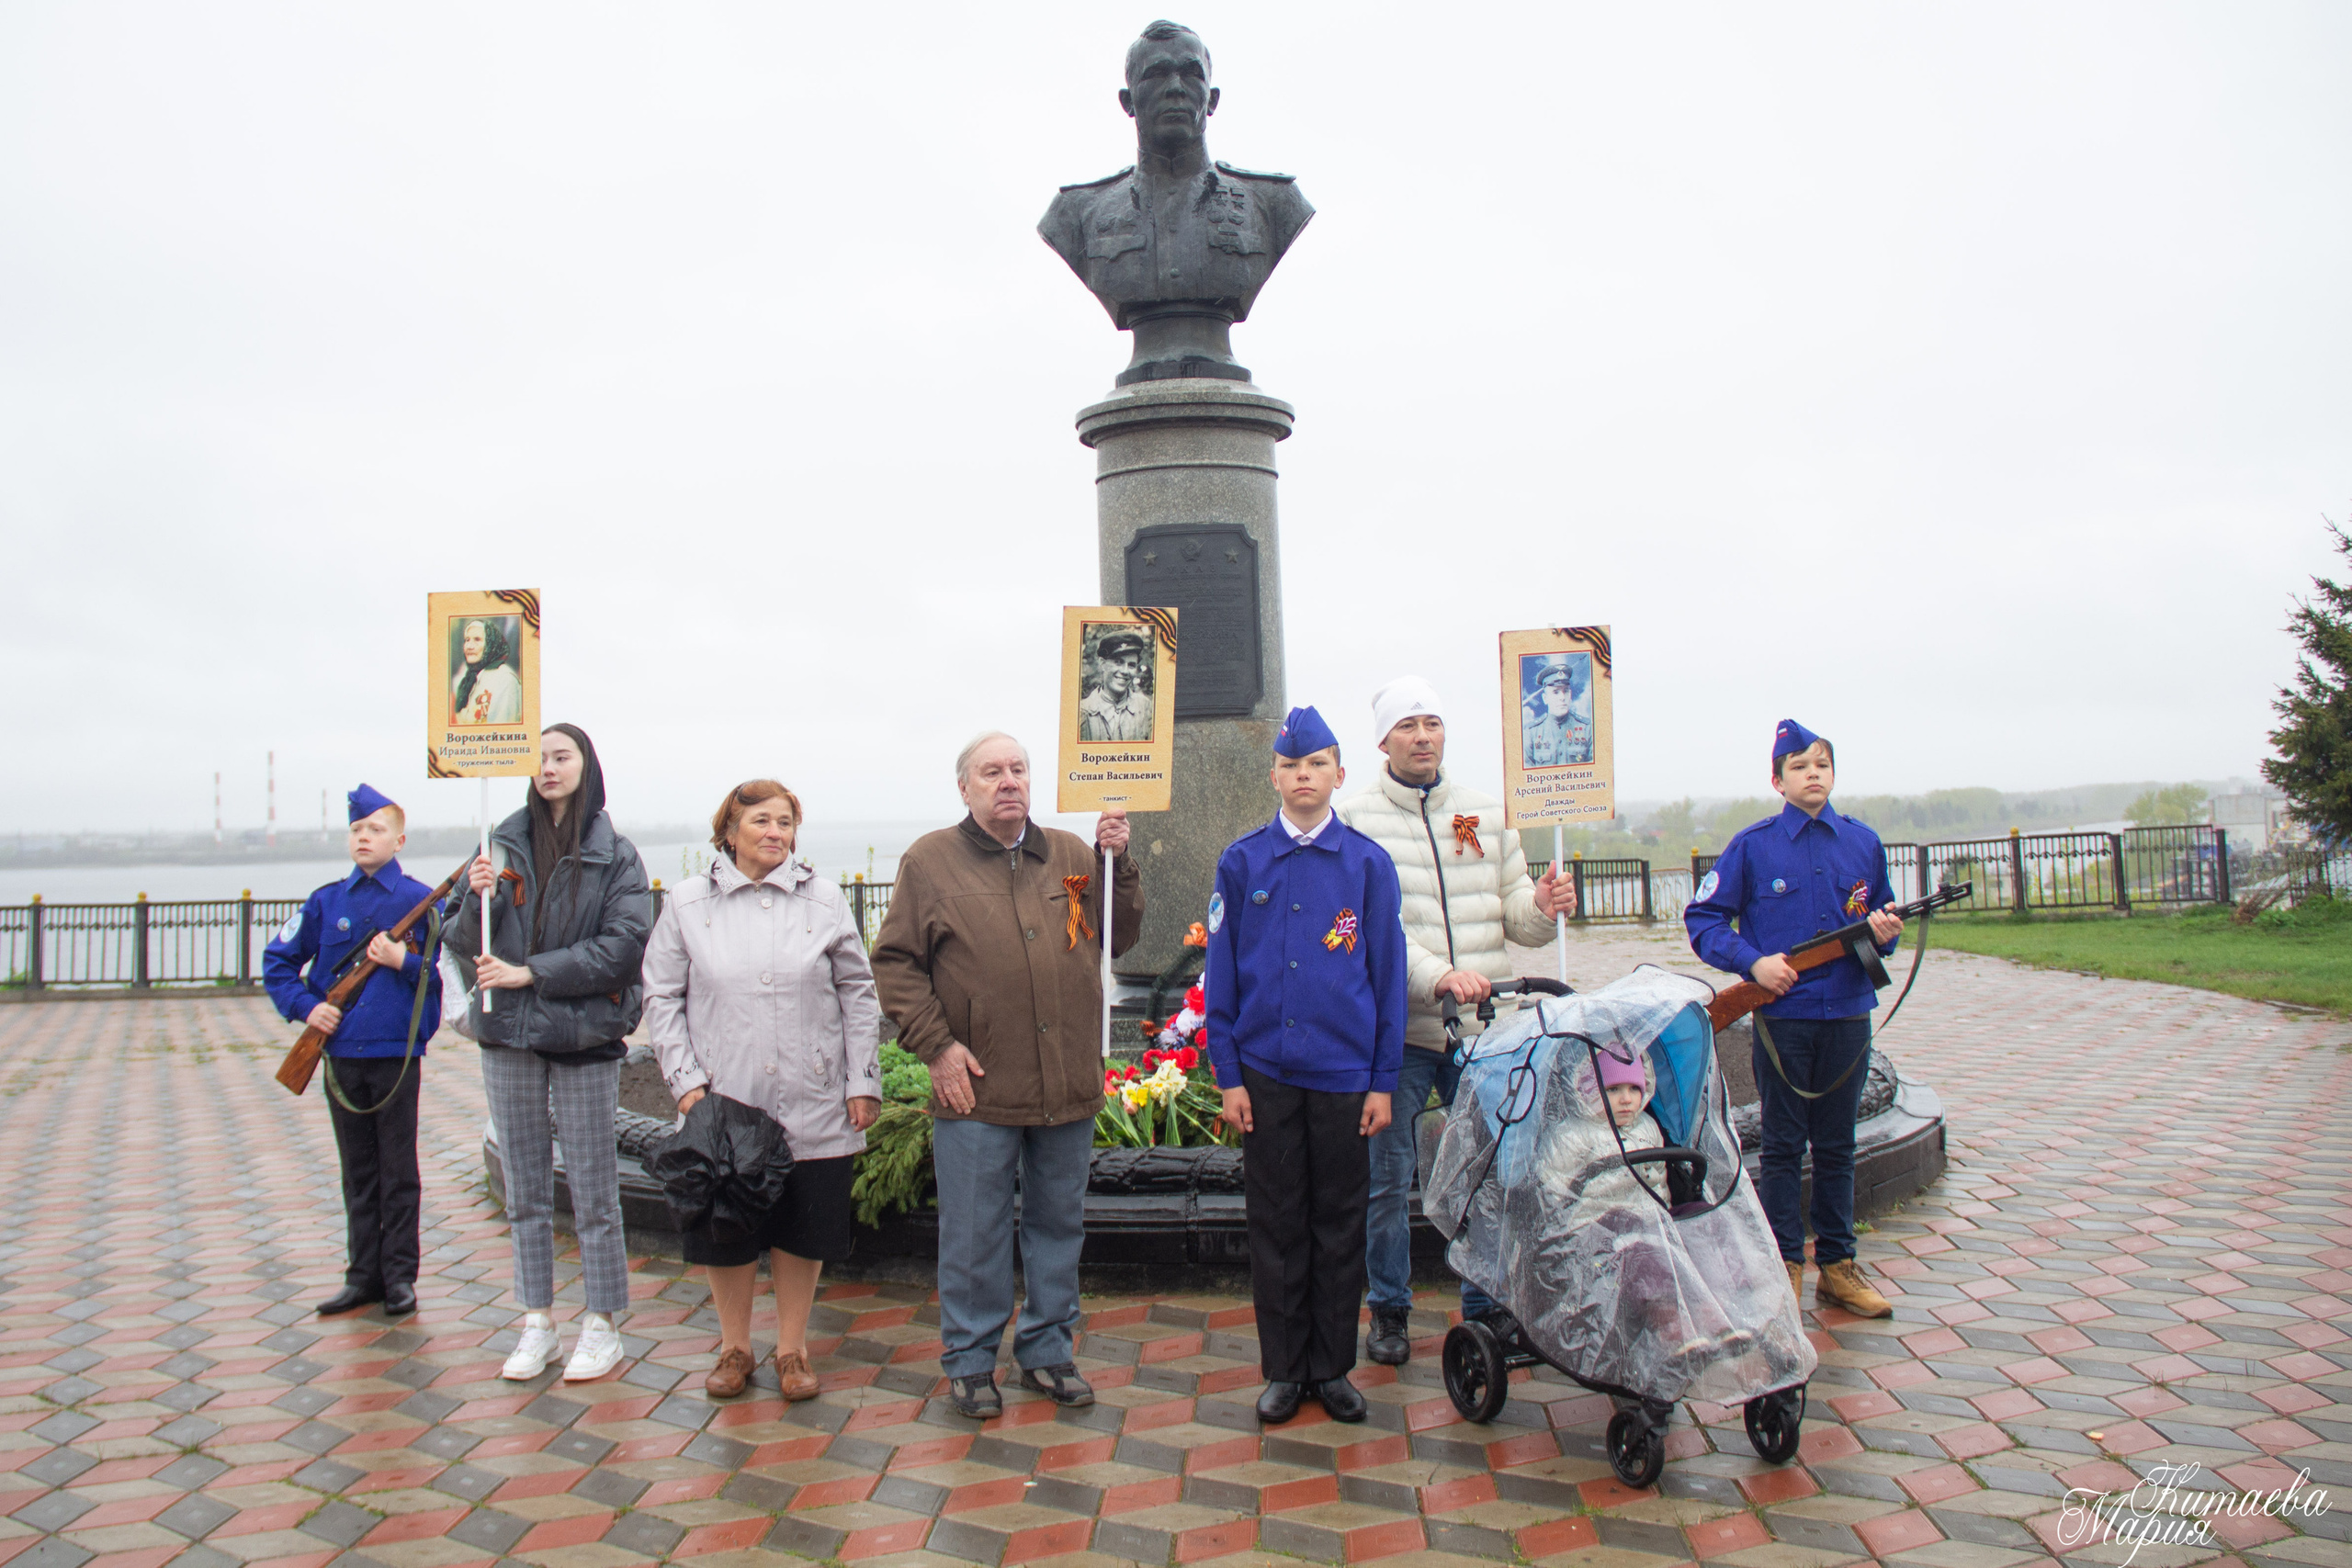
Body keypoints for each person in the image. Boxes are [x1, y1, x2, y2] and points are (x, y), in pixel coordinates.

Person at [871, 732, 1140, 1418]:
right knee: (973, 1230)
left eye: (1018, 769)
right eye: (991, 772)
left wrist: (1120, 863)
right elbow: (896, 963)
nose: (1008, 781)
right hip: (979, 1084)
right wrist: (937, 1047)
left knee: (1058, 1224)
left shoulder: (1074, 855)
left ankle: (1048, 1349)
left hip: (1065, 1081)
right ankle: (969, 1360)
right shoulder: (930, 862)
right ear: (964, 788)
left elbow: (1122, 936)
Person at [1335, 676, 1574, 1364]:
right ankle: (1388, 1307)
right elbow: (1369, 929)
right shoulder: (1355, 822)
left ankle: (1486, 1307)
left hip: (1487, 1030)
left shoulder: (1485, 812)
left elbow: (1518, 922)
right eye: (1408, 725)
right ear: (1383, 739)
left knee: (1490, 1171)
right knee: (1389, 1179)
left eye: (1432, 723)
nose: (1422, 736)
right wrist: (1435, 974)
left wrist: (1545, 903)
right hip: (1402, 1032)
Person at [641, 780, 885, 1401]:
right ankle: (735, 1346)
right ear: (728, 830)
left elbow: (859, 993)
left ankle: (793, 1348)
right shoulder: (690, 903)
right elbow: (662, 996)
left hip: (813, 1095)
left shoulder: (825, 900)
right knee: (728, 1229)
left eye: (785, 822)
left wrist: (862, 1080)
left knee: (803, 1227)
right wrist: (687, 1084)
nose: (775, 832)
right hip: (724, 1101)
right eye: (761, 821)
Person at [1204, 705, 1406, 1425]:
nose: (1303, 776)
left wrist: (1383, 1079)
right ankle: (1286, 1368)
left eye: (1316, 764)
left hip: (1346, 1079)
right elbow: (1222, 975)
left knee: (1340, 1223)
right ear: (1275, 776)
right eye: (1291, 765)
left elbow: (1387, 976)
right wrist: (1228, 1073)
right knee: (1278, 1222)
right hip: (1266, 1074)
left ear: (1339, 775)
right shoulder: (1243, 861)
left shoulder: (1367, 866)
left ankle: (1333, 1366)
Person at [445, 723, 651, 1381]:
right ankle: (537, 1320)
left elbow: (623, 946)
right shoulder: (499, 842)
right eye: (537, 757)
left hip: (585, 1034)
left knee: (594, 1189)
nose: (548, 767)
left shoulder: (615, 854)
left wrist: (531, 971)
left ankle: (602, 1320)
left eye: (561, 756)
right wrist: (483, 895)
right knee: (526, 1191)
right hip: (508, 1033)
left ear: (585, 765)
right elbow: (455, 936)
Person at [1684, 719, 1904, 1318]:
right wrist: (1754, 964)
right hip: (1784, 1017)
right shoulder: (1753, 847)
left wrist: (1884, 933)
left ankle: (1838, 1264)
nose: (1814, 775)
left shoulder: (1862, 842)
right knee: (1782, 1144)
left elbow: (1876, 914)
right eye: (1800, 766)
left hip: (1848, 1014)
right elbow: (1704, 920)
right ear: (1777, 780)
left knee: (1838, 1142)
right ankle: (1785, 1262)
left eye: (1823, 764)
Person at [1037, 21, 1314, 380]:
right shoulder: (1076, 214)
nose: (1175, 88)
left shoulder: (1274, 203)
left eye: (1190, 73)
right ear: (1128, 101)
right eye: (1156, 75)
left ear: (1212, 99)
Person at [264, 784, 445, 1318]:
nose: (365, 838)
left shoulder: (418, 899)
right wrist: (306, 1008)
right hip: (342, 1054)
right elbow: (278, 961)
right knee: (358, 1171)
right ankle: (361, 1276)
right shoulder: (326, 901)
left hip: (395, 1055)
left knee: (399, 1171)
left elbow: (441, 977)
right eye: (357, 830)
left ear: (400, 839)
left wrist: (399, 961)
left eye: (376, 829)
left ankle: (399, 1280)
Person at [1079, 631, 1153, 741]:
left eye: (1131, 665)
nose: (1125, 671)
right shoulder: (1082, 712)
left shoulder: (1146, 708)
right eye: (1118, 662)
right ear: (1102, 664)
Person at [1521, 656, 1593, 769]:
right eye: (1556, 692)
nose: (1562, 697)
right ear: (1545, 698)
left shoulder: (1587, 729)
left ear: (1570, 695)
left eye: (1566, 691)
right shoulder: (1531, 732)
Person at [451, 618, 524, 727]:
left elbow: (504, 733)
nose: (469, 646)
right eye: (467, 640)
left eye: (477, 639)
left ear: (491, 644)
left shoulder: (506, 680)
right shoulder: (468, 680)